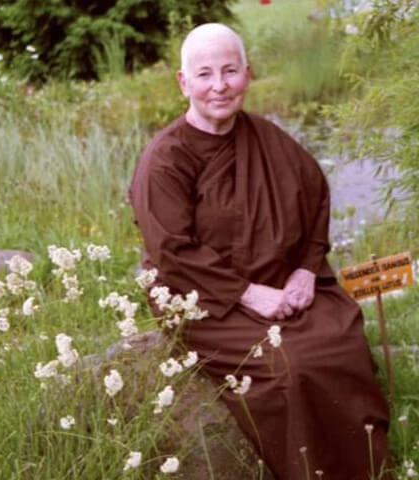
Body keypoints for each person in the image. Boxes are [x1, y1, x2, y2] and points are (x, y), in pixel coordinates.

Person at [129, 23, 392, 480]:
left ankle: (370, 468)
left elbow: (315, 196)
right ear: (183, 82)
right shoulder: (165, 160)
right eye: (205, 74)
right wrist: (248, 294)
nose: (219, 85)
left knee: (342, 338)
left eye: (230, 71)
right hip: (201, 297)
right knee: (290, 365)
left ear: (248, 74)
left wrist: (306, 270)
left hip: (281, 279)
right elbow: (172, 252)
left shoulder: (268, 138)